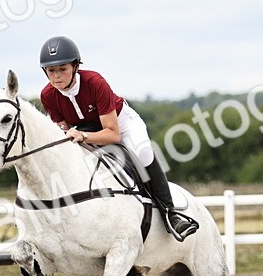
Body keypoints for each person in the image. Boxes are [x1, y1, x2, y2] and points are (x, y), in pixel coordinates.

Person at [38, 35, 198, 241]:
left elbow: (113, 134)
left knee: (143, 153)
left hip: (121, 123)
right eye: (51, 71)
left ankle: (171, 214)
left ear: (75, 66)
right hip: (86, 128)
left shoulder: (95, 83)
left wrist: (83, 135)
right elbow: (64, 131)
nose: (57, 76)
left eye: (63, 69)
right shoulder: (47, 95)